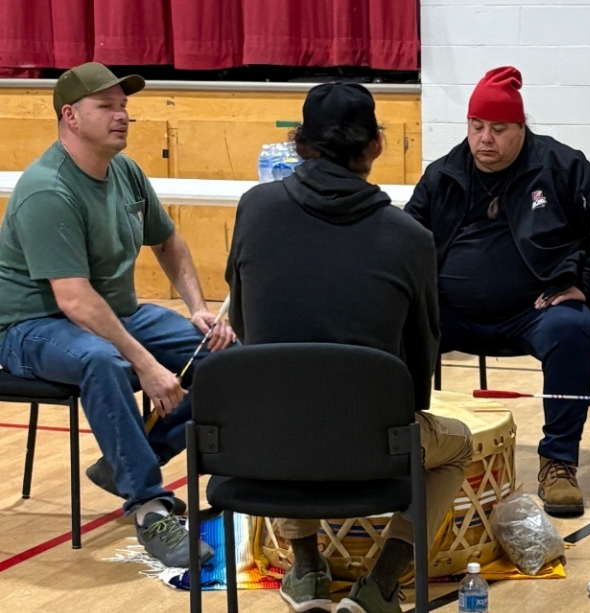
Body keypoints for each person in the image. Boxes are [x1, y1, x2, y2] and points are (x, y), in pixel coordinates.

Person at [226, 82, 473, 613]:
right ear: (378, 144)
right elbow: (418, 372)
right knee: (459, 445)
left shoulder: (254, 209)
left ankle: (307, 566)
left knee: (286, 398)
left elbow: (246, 327)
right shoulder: (409, 236)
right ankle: (381, 583)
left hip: (264, 444)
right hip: (373, 447)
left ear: (299, 144)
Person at [0, 62, 234, 567]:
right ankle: (149, 505)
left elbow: (168, 240)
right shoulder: (48, 189)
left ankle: (134, 456)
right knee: (103, 361)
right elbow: (75, 301)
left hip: (114, 313)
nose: (122, 116)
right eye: (106, 106)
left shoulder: (124, 171)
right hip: (31, 327)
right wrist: (147, 365)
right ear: (70, 116)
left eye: (124, 106)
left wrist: (199, 310)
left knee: (227, 357)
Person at [404, 66, 590, 517]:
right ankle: (407, 446)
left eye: (498, 128)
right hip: (450, 311)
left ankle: (558, 463)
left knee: (571, 329)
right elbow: (407, 238)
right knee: (395, 323)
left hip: (536, 312)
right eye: (476, 127)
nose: (484, 139)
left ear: (521, 128)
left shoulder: (563, 167)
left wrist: (585, 286)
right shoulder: (443, 175)